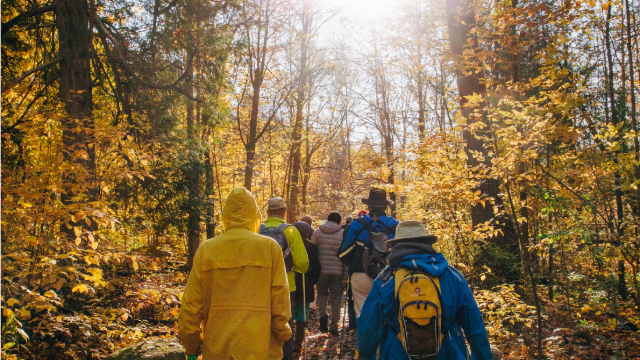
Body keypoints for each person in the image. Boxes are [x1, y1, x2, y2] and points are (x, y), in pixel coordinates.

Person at [178, 188, 292, 360]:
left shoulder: (207, 250)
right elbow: (280, 303)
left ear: (226, 215)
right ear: (255, 215)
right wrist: (281, 336)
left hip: (216, 348)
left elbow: (190, 306)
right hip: (259, 348)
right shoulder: (269, 248)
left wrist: (191, 348)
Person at [356, 220, 493, 359]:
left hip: (397, 354)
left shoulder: (385, 279)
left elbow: (368, 328)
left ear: (395, 246)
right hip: (449, 352)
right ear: (427, 243)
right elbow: (475, 327)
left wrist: (364, 356)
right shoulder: (452, 276)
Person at [338, 188, 398, 317]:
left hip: (361, 274)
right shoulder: (395, 225)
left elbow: (343, 253)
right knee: (387, 314)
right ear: (385, 207)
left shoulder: (357, 224)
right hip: (389, 275)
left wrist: (355, 261)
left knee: (363, 315)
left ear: (368, 206)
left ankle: (366, 336)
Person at [262, 197, 309, 360]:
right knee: (285, 323)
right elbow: (303, 263)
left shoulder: (257, 230)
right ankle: (286, 356)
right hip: (287, 286)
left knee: (264, 323)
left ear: (268, 212)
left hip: (261, 286)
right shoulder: (290, 231)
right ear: (284, 212)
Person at [311, 212, 346, 335]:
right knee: (336, 298)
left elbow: (312, 251)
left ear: (327, 220)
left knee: (321, 294)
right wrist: (345, 276)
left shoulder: (317, 232)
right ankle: (334, 326)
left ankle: (323, 316)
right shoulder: (343, 234)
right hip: (338, 271)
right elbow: (345, 257)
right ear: (340, 222)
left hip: (321, 270)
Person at [292, 221, 321, 359]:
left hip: (290, 284)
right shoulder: (312, 247)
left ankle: (288, 343)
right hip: (306, 284)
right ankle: (298, 344)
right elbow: (317, 268)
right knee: (301, 316)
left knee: (290, 314)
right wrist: (312, 281)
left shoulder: (288, 245)